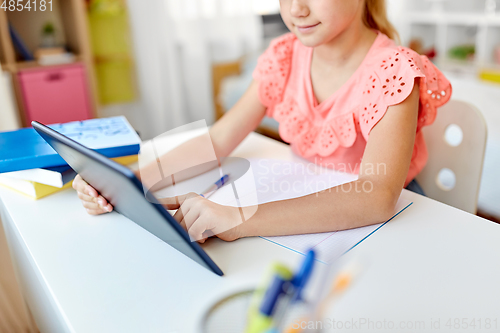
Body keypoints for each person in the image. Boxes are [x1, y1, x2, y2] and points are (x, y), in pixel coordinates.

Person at [73, 0, 451, 243]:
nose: (295, 10)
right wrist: (128, 181)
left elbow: (376, 195)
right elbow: (219, 139)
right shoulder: (286, 56)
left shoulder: (393, 69)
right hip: (313, 214)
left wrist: (238, 219)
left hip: (386, 226)